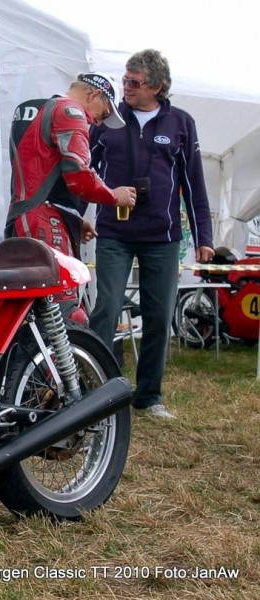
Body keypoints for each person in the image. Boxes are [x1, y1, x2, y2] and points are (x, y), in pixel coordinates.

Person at [89, 49, 215, 419]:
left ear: (158, 87)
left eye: (134, 82)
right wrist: (77, 214)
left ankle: (149, 397)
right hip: (113, 231)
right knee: (107, 309)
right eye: (124, 79)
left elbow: (194, 183)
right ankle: (97, 394)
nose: (125, 87)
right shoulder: (108, 120)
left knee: (159, 316)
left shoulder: (181, 123)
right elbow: (83, 170)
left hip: (163, 237)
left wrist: (204, 237)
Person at [6, 72, 136, 322]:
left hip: (23, 219)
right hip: (44, 221)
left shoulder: (36, 108)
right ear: (94, 95)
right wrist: (113, 196)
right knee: (66, 314)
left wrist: (73, 218)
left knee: (27, 313)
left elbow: (43, 173)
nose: (98, 122)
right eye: (105, 113)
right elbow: (79, 176)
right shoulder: (72, 113)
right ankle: (55, 363)